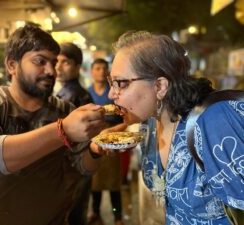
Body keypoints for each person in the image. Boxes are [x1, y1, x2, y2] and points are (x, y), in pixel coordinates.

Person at [0, 23, 106, 225]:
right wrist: (62, 130)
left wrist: (97, 150)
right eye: (40, 61)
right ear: (12, 65)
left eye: (53, 62)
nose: (51, 71)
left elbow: (83, 168)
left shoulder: (64, 110)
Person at [104, 31, 244, 224]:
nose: (112, 94)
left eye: (121, 83)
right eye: (111, 82)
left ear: (160, 86)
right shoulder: (149, 122)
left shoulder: (214, 122)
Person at [55, 42, 93, 225]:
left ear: (78, 67)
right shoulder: (64, 93)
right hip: (74, 167)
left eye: (66, 62)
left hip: (74, 168)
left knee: (73, 215)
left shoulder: (76, 96)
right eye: (57, 61)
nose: (58, 67)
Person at [87, 58, 124, 225]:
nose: (101, 71)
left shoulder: (114, 93)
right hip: (93, 140)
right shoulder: (87, 93)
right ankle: (95, 212)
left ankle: (117, 215)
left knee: (113, 182)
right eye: (97, 68)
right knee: (96, 182)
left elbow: (126, 117)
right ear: (91, 71)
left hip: (112, 138)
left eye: (104, 68)